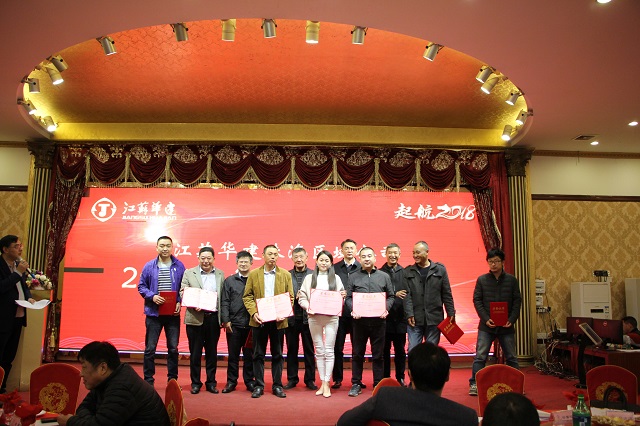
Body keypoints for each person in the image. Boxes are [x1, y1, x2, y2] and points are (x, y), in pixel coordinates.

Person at [336, 342, 478, 426]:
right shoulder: (466, 418)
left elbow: (344, 422)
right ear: (447, 376)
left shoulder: (386, 398)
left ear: (409, 374)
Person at [56, 341, 170, 426]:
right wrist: (89, 420)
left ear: (103, 368)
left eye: (84, 367)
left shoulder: (122, 388)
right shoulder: (107, 379)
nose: (81, 373)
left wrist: (70, 422)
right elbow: (84, 407)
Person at [242, 244, 294, 398]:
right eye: (270, 254)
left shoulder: (285, 274)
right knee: (258, 354)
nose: (273, 257)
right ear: (263, 256)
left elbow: (290, 297)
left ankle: (277, 386)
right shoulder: (254, 274)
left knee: (277, 354)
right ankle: (259, 385)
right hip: (260, 320)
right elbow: (247, 296)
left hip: (278, 321)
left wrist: (284, 312)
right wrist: (254, 313)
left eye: (275, 254)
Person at [469, 247, 522, 396]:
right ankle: (474, 384)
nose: (493, 264)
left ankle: (517, 384)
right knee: (480, 356)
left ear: (503, 262)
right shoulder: (482, 280)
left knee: (511, 357)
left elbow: (517, 301)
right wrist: (486, 319)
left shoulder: (511, 280)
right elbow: (477, 300)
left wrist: (512, 319)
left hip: (506, 325)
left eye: (496, 261)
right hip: (487, 326)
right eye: (490, 261)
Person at [345, 246, 394, 397]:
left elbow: (391, 296)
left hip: (379, 322)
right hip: (359, 322)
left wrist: (386, 308)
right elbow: (348, 297)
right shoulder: (353, 276)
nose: (367, 259)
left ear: (375, 258)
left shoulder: (384, 276)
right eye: (364, 256)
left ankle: (378, 383)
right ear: (359, 259)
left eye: (369, 256)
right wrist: (353, 309)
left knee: (378, 355)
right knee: (357, 354)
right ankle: (356, 383)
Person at [137, 236, 185, 385]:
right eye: (162, 246)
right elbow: (141, 286)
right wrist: (152, 296)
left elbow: (184, 287)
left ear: (172, 247)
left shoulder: (179, 266)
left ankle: (172, 380)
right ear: (156, 247)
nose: (165, 248)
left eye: (168, 246)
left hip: (172, 315)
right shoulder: (149, 266)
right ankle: (148, 380)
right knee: (150, 349)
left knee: (173, 349)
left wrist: (179, 302)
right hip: (153, 314)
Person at [298, 250, 346, 398]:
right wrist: (308, 307)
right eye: (321, 260)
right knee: (319, 350)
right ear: (316, 261)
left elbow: (341, 297)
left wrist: (342, 297)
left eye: (327, 260)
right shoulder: (309, 278)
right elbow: (302, 297)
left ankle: (327, 383)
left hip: (331, 318)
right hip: (314, 317)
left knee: (329, 350)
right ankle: (322, 382)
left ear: (331, 263)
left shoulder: (336, 278)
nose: (324, 263)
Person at [180, 246, 224, 394]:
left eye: (209, 258)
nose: (206, 261)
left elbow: (222, 297)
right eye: (203, 258)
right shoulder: (189, 273)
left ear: (213, 259)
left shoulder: (220, 274)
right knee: (195, 353)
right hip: (195, 318)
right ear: (198, 258)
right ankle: (195, 383)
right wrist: (194, 303)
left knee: (212, 353)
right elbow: (182, 292)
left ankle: (211, 382)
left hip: (213, 319)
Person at [403, 241, 455, 349]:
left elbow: (446, 293)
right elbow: (407, 296)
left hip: (434, 319)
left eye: (418, 252)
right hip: (415, 319)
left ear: (427, 252)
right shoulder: (408, 271)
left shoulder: (440, 270)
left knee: (431, 351)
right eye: (413, 253)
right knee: (413, 350)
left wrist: (451, 313)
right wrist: (409, 314)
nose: (415, 255)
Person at [0, 235, 34, 393]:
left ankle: (2, 388)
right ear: (5, 249)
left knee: (9, 356)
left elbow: (23, 287)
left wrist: (29, 297)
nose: (20, 249)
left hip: (18, 317)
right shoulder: (3, 266)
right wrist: (17, 273)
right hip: (3, 317)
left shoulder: (18, 265)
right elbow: (2, 287)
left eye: (20, 245)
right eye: (16, 246)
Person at [220, 250, 256, 393]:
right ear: (236, 263)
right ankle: (231, 381)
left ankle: (249, 381)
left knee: (250, 356)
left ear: (251, 263)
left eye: (246, 262)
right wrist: (226, 320)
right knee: (233, 356)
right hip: (234, 325)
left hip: (252, 324)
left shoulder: (255, 279)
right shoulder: (229, 281)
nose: (243, 264)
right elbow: (224, 301)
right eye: (241, 262)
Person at [283, 247, 317, 390]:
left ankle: (310, 379)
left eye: (301, 256)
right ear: (292, 258)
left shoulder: (314, 275)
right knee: (292, 350)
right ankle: (292, 378)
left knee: (309, 350)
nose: (299, 259)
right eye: (296, 257)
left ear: (307, 257)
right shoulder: (286, 275)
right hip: (291, 318)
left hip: (308, 318)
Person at [331, 238, 361, 389]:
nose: (349, 250)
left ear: (356, 250)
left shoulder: (362, 268)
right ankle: (337, 378)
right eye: (346, 248)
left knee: (357, 349)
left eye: (352, 248)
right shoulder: (334, 268)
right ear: (341, 250)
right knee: (337, 348)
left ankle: (357, 379)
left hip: (357, 314)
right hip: (339, 314)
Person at [380, 243, 407, 386]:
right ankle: (385, 377)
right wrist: (394, 294)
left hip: (401, 318)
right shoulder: (379, 272)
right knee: (384, 350)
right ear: (385, 254)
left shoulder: (405, 272)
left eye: (395, 253)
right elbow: (377, 294)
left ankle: (400, 377)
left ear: (399, 254)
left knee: (400, 351)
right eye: (390, 252)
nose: (393, 255)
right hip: (384, 318)